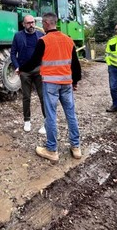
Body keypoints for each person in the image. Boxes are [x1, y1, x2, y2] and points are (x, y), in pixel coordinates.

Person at [20, 12, 82, 163]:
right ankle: (76, 147)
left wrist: (21, 68)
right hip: (66, 83)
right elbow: (75, 64)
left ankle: (52, 150)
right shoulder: (68, 40)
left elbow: (34, 61)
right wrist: (75, 81)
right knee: (71, 114)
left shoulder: (44, 41)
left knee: (51, 116)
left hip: (51, 85)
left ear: (47, 24)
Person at [11, 15, 46, 133]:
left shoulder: (41, 36)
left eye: (33, 22)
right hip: (24, 71)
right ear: (23, 24)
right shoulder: (18, 36)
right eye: (28, 23)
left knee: (43, 96)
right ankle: (27, 121)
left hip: (38, 70)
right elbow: (13, 53)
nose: (31, 25)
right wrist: (17, 67)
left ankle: (46, 122)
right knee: (26, 97)